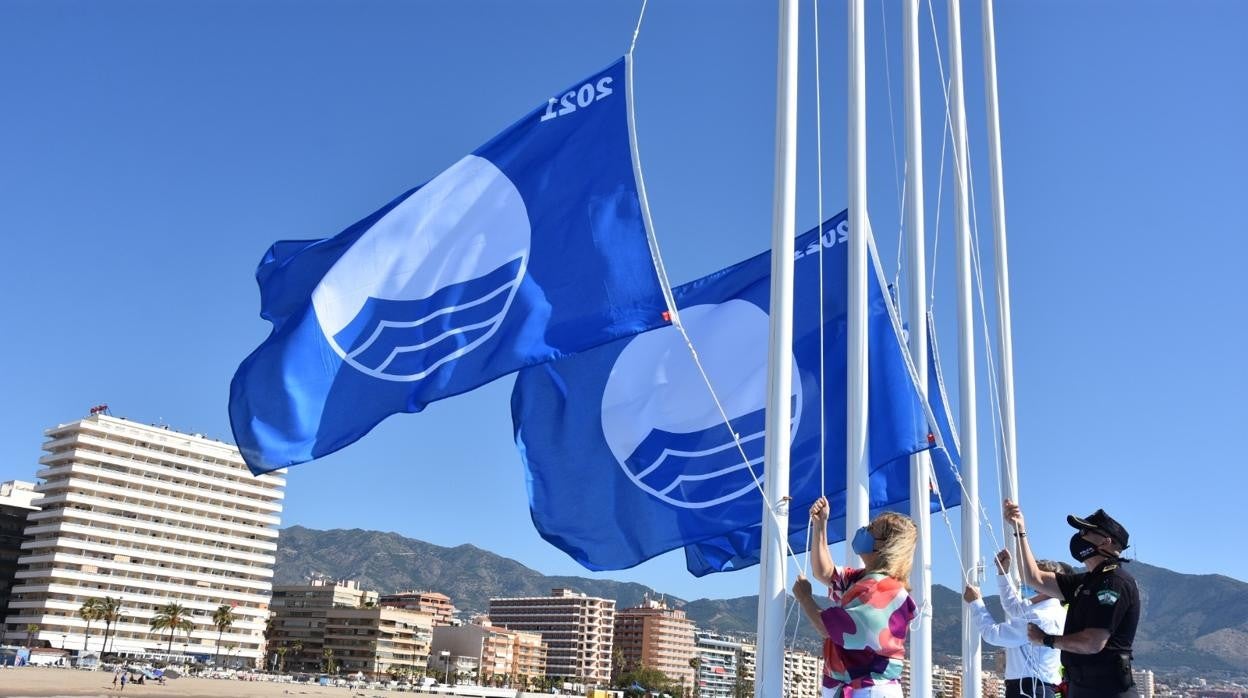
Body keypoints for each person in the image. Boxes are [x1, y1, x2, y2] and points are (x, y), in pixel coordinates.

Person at [1004, 499, 1140, 698]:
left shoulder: (1114, 582)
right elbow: (1032, 577)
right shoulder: (1084, 582)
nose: (1079, 537)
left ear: (1105, 541)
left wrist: (1045, 639)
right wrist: (1019, 530)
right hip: (1079, 687)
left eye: (1085, 532)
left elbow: (1093, 642)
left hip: (1107, 691)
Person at [792, 497, 917, 698]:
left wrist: (805, 598)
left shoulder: (885, 591)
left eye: (871, 529)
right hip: (856, 688)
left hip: (869, 690)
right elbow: (825, 572)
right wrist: (820, 525)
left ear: (884, 546)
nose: (864, 531)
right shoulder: (863, 580)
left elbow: (831, 629)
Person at [964, 549, 1069, 698]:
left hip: (1028, 690)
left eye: (1032, 582)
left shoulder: (1040, 616)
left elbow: (993, 635)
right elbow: (1013, 607)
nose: (1027, 586)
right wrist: (1003, 573)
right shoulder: (1053, 611)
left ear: (1045, 586)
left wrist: (976, 603)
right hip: (1036, 689)